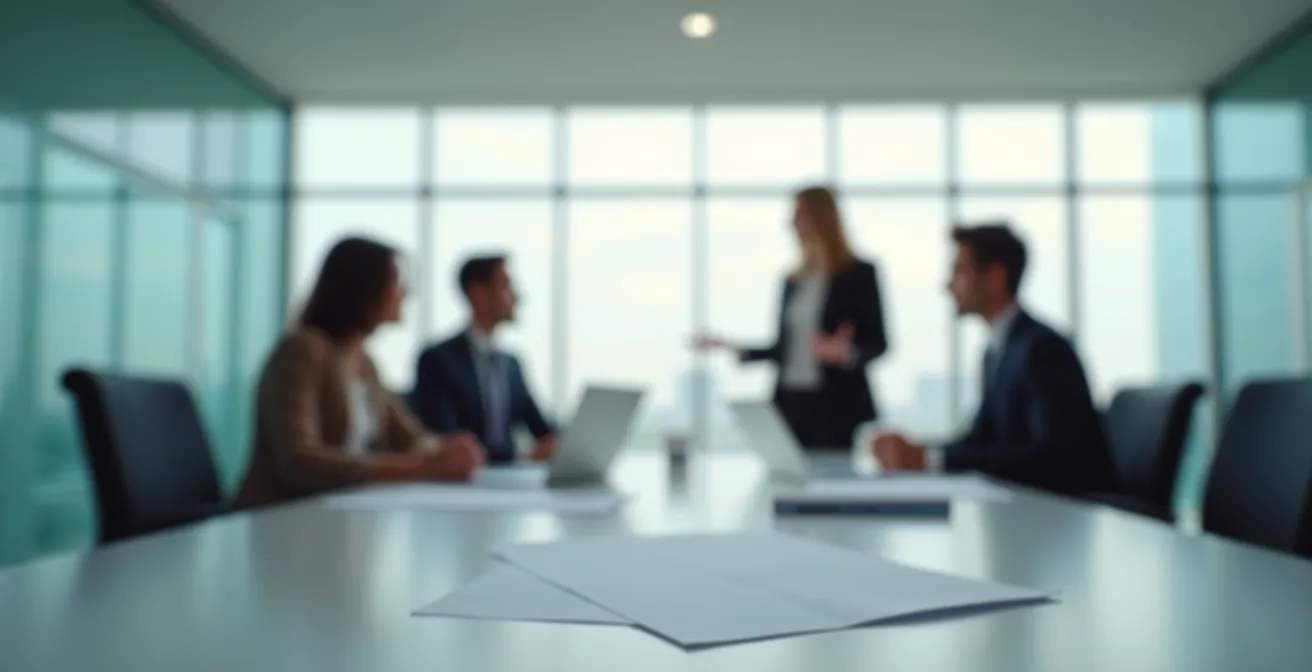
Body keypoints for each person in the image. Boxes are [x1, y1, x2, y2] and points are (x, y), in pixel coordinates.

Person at [236, 237, 484, 508]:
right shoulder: (303, 350)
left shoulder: (365, 363)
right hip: (279, 517)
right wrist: (422, 467)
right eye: (396, 281)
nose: (405, 292)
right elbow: (298, 460)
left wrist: (448, 451)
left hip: (337, 514)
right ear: (363, 288)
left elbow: (410, 437)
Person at [872, 223, 1116, 495]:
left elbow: (1051, 456)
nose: (949, 285)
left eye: (960, 271)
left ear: (995, 277)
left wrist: (929, 460)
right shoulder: (999, 349)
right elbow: (981, 438)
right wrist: (922, 454)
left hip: (1066, 515)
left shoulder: (1043, 350)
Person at [696, 186, 889, 451]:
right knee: (788, 480)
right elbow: (784, 349)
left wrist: (846, 354)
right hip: (789, 403)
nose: (791, 223)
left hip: (835, 405)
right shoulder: (793, 280)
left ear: (822, 217)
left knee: (829, 482)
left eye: (799, 214)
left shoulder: (858, 274)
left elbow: (879, 342)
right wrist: (734, 347)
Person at [413, 254, 558, 464]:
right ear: (478, 293)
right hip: (461, 484)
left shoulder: (511, 364)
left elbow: (542, 430)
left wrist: (567, 444)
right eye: (506, 286)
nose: (517, 297)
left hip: (510, 481)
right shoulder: (438, 360)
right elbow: (447, 441)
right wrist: (520, 455)